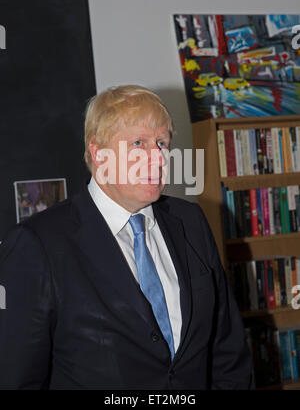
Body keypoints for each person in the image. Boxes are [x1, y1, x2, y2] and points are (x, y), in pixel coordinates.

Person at [0, 85, 253, 390]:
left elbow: (226, 348)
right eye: (138, 143)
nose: (157, 158)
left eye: (162, 143)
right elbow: (17, 378)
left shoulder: (190, 221)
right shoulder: (38, 244)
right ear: (98, 153)